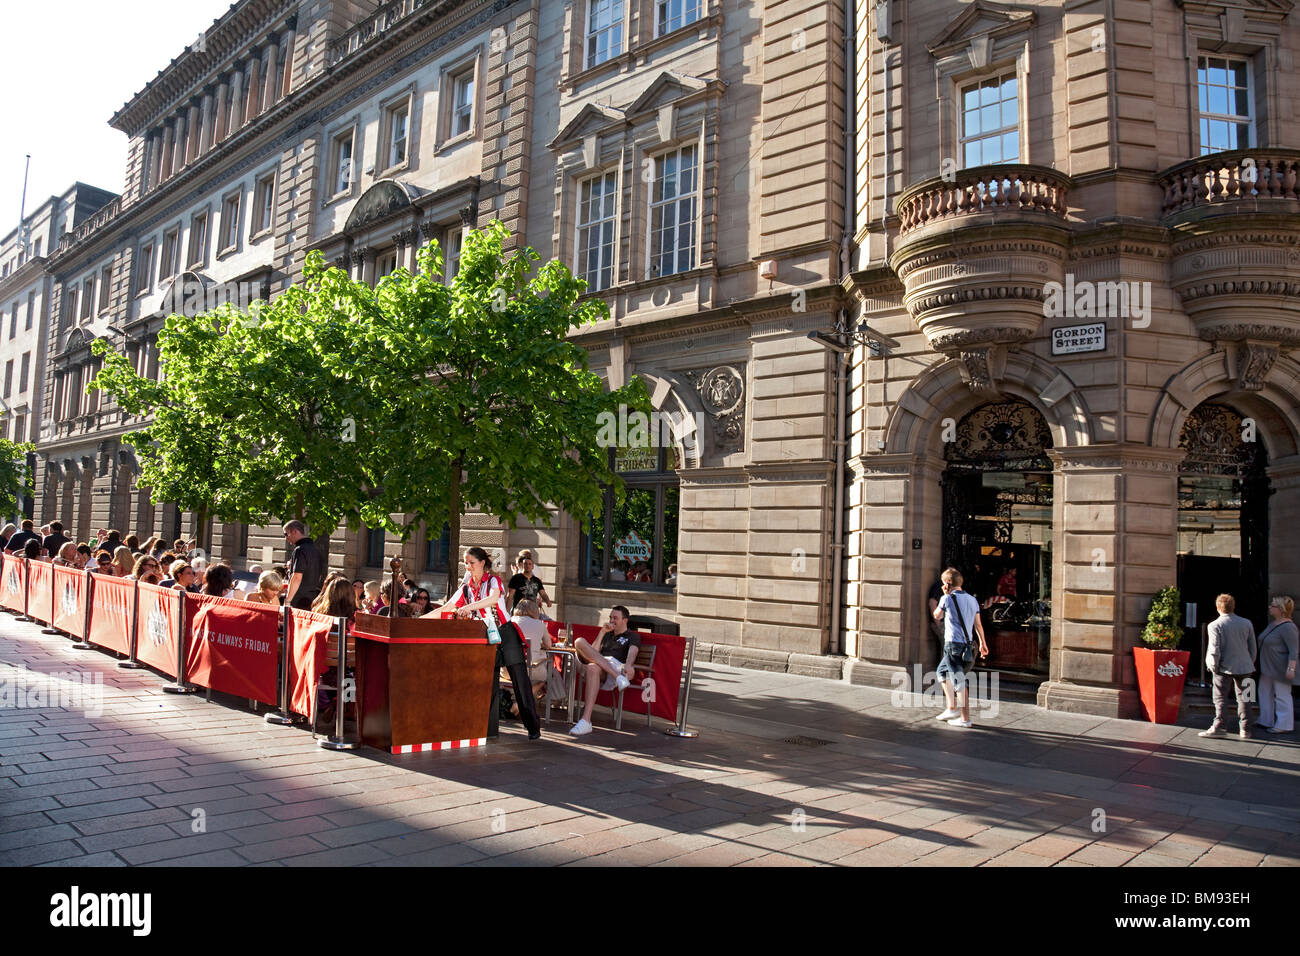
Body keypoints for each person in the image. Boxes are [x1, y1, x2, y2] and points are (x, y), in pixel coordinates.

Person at [424, 547, 540, 741]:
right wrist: (421, 619)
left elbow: (493, 599)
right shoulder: (467, 586)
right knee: (488, 682)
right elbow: (447, 607)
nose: (467, 567)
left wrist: (467, 607)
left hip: (506, 632)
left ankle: (533, 727)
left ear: (482, 563)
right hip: (486, 635)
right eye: (465, 563)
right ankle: (488, 729)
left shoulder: (493, 580)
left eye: (471, 563)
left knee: (520, 680)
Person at [931, 567, 988, 728]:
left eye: (943, 582)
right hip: (967, 644)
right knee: (942, 671)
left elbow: (937, 615)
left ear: (947, 583)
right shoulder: (972, 599)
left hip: (952, 644)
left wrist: (944, 596)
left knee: (959, 680)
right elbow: (978, 624)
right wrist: (983, 643)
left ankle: (965, 718)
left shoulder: (947, 598)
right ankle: (951, 708)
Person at [569, 605, 639, 737]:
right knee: (580, 643)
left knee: (592, 665)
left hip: (614, 666)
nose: (611, 620)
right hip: (600, 667)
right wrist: (602, 633)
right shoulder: (607, 634)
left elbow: (632, 651)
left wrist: (629, 665)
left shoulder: (632, 636)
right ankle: (586, 721)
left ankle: (586, 720)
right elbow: (592, 654)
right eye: (610, 617)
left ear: (625, 620)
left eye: (615, 618)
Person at [1200, 592, 1258, 739]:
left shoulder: (1215, 625)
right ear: (1233, 606)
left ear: (1218, 607)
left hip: (1223, 667)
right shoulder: (1247, 623)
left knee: (1220, 698)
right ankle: (1246, 729)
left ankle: (1220, 726)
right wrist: (1250, 661)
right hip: (1245, 666)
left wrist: (1212, 666)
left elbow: (1214, 648)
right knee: (1246, 697)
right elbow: (1253, 647)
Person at [1255, 596, 1298, 735]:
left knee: (1282, 694)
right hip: (1268, 666)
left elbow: (1294, 650)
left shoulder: (1289, 627)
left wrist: (1291, 669)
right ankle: (1265, 719)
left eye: (1273, 605)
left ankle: (1284, 724)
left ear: (1281, 610)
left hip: (1280, 667)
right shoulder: (1273, 624)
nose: (1270, 607)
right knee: (1264, 691)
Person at [510, 599, 553, 713]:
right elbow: (549, 645)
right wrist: (539, 644)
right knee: (544, 677)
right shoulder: (539, 624)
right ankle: (520, 703)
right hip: (529, 669)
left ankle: (520, 703)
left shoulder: (509, 621)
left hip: (508, 669)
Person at [283, 521, 325, 611]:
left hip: (298, 600)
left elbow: (297, 576)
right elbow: (319, 576)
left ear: (295, 531)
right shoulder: (316, 550)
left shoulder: (300, 550)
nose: (286, 538)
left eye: (286, 534)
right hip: (312, 598)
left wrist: (287, 601)